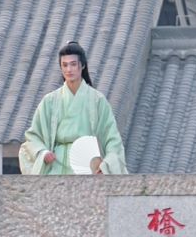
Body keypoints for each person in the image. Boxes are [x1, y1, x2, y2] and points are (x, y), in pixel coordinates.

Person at [18, 40, 128, 176]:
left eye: (73, 64)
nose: (69, 69)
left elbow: (112, 139)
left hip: (88, 165)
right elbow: (33, 136)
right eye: (64, 65)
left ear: (82, 65)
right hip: (56, 166)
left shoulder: (97, 100)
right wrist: (43, 152)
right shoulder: (50, 101)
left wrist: (106, 165)